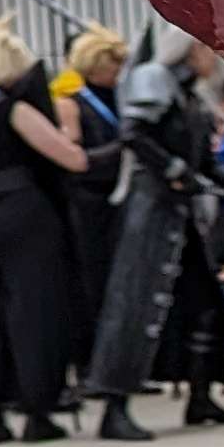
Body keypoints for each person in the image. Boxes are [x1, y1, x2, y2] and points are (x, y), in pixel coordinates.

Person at [88, 30, 224, 440]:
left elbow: (203, 161)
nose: (214, 57)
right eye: (207, 48)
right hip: (150, 213)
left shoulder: (191, 94)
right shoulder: (154, 77)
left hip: (181, 217)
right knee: (134, 306)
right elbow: (135, 136)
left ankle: (201, 396)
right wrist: (177, 172)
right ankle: (114, 406)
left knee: (209, 305)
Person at [0, 14, 84, 439]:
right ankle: (37, 409)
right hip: (23, 211)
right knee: (35, 311)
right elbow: (71, 158)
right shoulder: (13, 109)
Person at [50, 26, 129, 365]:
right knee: (91, 282)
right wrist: (121, 149)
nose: (118, 72)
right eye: (112, 65)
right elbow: (73, 155)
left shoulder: (119, 97)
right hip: (87, 202)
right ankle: (91, 363)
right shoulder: (72, 103)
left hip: (115, 196)